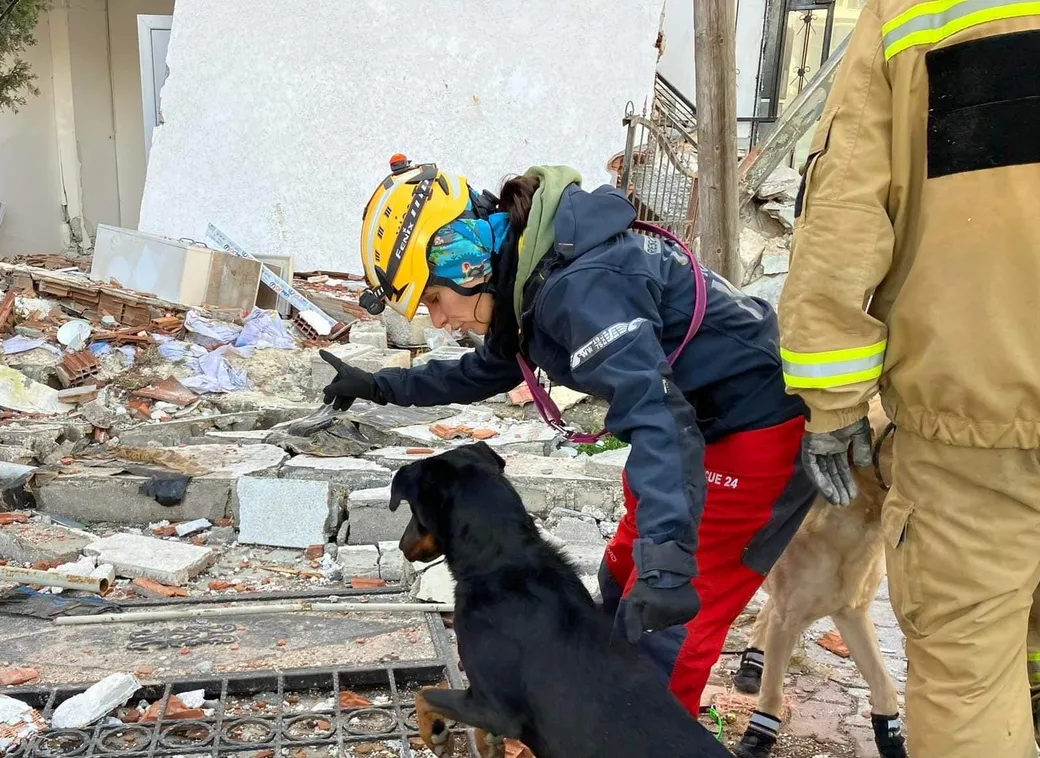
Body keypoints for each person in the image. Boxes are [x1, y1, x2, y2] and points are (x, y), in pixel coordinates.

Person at [324, 155, 817, 718]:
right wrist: (379, 386)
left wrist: (671, 557)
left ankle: (643, 733)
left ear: (461, 260)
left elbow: (655, 418)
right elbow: (486, 370)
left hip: (756, 428)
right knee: (620, 575)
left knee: (669, 625)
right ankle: (599, 712)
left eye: (433, 300)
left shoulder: (580, 290)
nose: (437, 321)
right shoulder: (530, 275)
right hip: (691, 424)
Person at [775, 3, 1040, 757]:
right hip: (979, 403)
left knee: (966, 676)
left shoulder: (916, 11)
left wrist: (832, 408)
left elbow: (843, 210)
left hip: (974, 408)